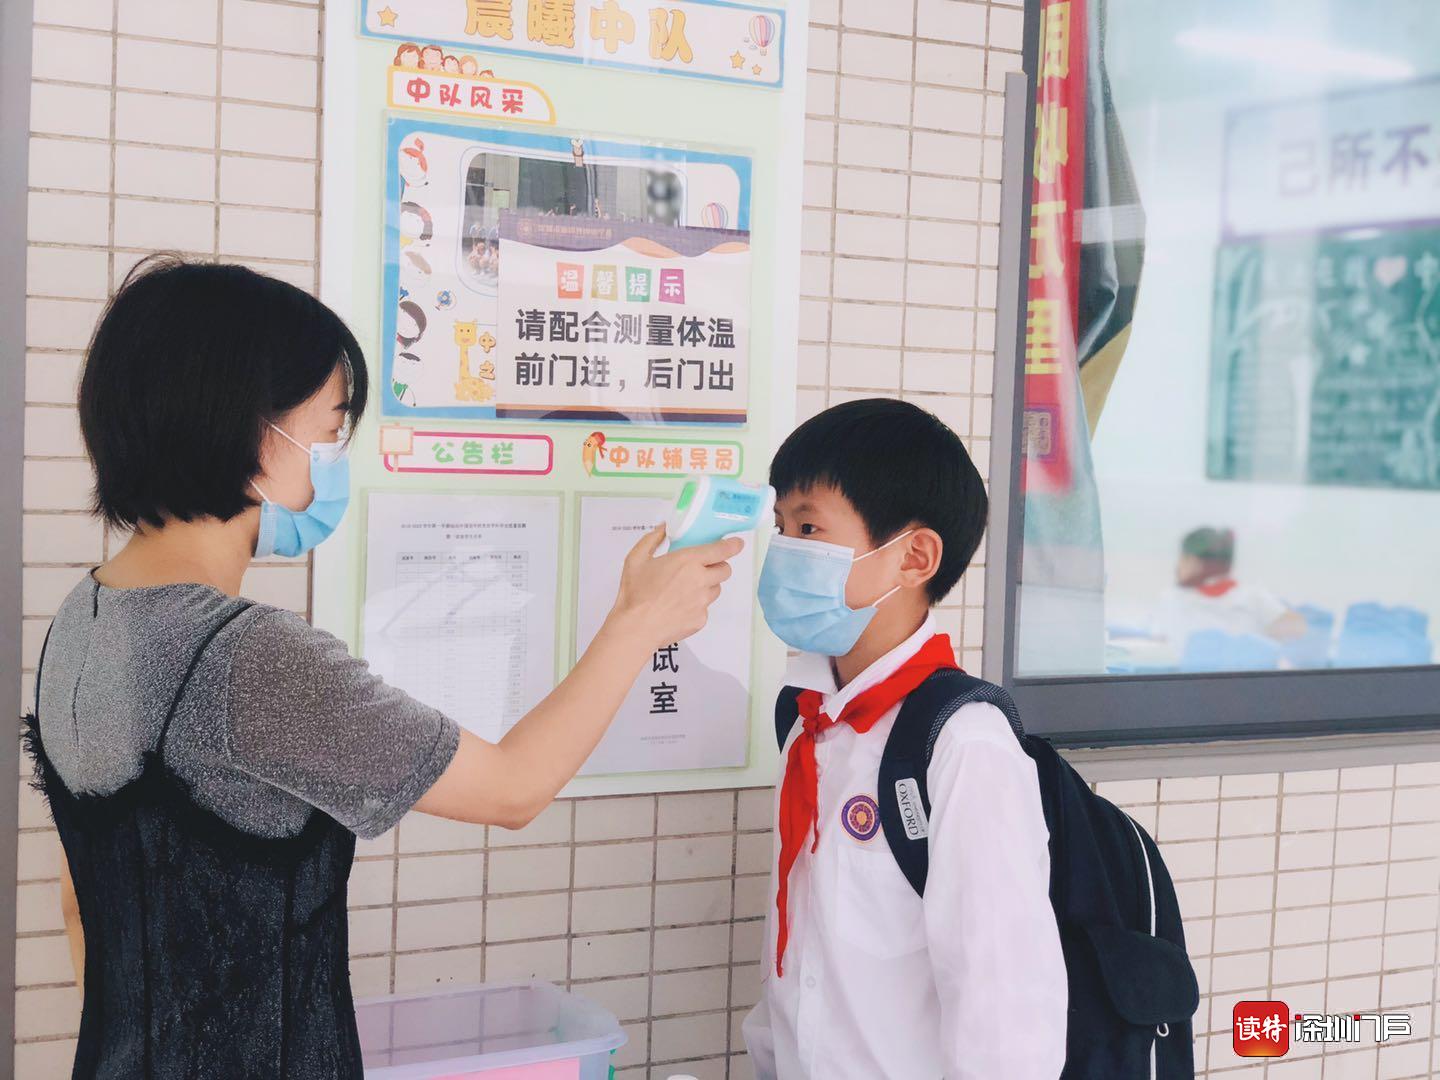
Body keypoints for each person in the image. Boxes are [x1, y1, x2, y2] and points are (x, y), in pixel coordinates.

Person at [27, 256, 741, 1079]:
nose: (336, 454)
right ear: (254, 437)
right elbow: (511, 789)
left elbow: (81, 905)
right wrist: (638, 621)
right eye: (331, 428)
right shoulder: (252, 659)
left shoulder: (84, 618)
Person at [741, 399, 1067, 1079]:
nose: (784, 550)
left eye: (809, 527)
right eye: (780, 527)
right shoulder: (805, 717)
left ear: (913, 557)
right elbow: (796, 950)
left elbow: (1003, 1009)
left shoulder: (964, 744)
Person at [1151, 526, 1306, 648]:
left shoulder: (1253, 598)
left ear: (1196, 562)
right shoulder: (1171, 599)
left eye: (1183, 558)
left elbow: (1298, 631)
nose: (1178, 566)